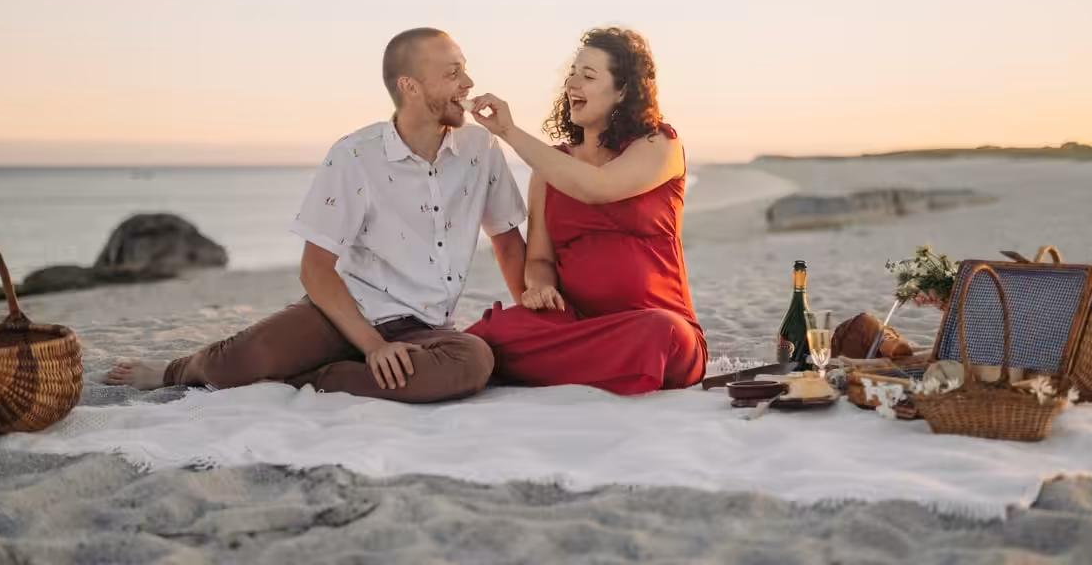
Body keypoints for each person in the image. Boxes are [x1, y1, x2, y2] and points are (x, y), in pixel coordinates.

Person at [104, 27, 529, 403]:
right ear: (410, 86)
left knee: (472, 364)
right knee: (234, 366)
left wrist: (535, 314)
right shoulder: (354, 155)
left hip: (426, 328)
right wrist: (373, 347)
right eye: (453, 73)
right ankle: (182, 368)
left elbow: (507, 241)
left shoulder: (482, 149)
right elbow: (316, 269)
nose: (469, 84)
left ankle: (308, 379)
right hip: (346, 313)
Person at [464, 27, 708, 395]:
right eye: (572, 74)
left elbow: (598, 188)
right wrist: (540, 287)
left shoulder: (660, 145)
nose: (572, 84)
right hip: (575, 324)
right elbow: (540, 260)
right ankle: (589, 366)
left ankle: (536, 366)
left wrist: (508, 131)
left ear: (624, 90)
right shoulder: (551, 167)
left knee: (659, 333)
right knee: (492, 332)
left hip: (654, 327)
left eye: (588, 75)